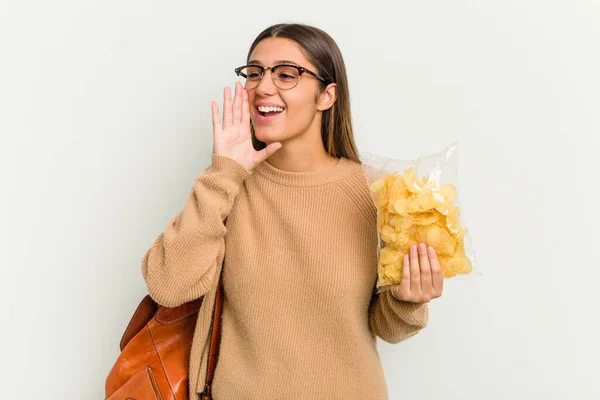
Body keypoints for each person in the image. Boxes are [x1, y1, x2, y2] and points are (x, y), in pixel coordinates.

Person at [141, 23, 443, 400]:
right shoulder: (227, 184)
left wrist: (407, 300)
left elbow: (389, 328)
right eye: (254, 73)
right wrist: (224, 171)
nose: (263, 87)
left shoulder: (377, 192)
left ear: (326, 96)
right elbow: (170, 286)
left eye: (286, 74)